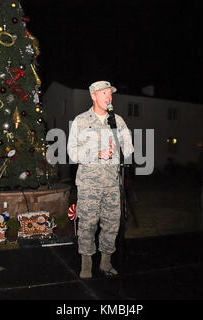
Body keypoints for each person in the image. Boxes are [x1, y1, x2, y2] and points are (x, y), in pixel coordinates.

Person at [67, 80, 134, 279]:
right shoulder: (81, 120)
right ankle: (86, 264)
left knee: (112, 224)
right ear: (93, 96)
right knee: (88, 225)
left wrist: (119, 149)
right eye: (104, 93)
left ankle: (105, 262)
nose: (109, 97)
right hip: (89, 185)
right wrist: (97, 152)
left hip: (112, 184)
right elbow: (72, 153)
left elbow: (129, 151)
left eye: (110, 94)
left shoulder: (118, 121)